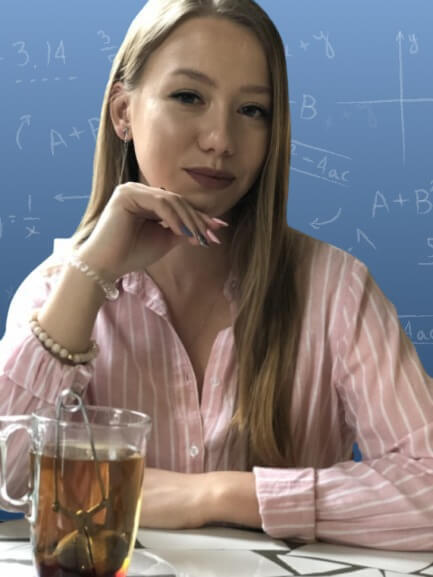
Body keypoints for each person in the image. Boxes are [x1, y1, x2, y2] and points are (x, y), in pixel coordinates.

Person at [1, 0, 433, 551]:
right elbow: (11, 479)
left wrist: (214, 496)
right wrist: (90, 275)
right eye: (189, 97)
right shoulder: (53, 291)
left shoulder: (336, 289)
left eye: (252, 110)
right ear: (123, 113)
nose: (220, 140)